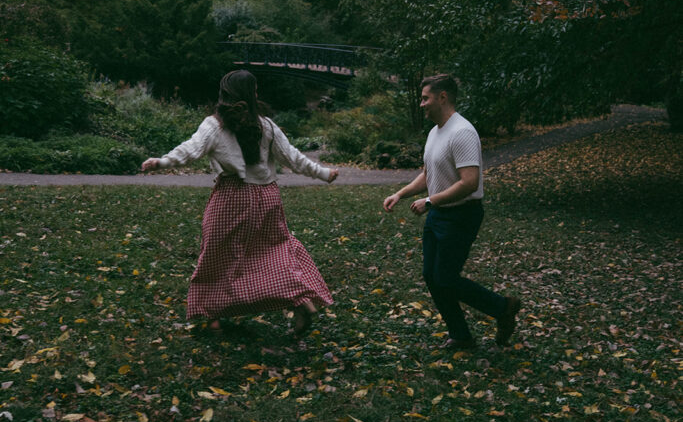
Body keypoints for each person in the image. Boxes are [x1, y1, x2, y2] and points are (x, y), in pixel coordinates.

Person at [141, 70, 338, 336]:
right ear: (250, 94)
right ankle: (300, 299)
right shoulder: (266, 124)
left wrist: (162, 162)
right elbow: (292, 157)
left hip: (233, 196)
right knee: (274, 251)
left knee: (217, 253)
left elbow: (191, 149)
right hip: (267, 197)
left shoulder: (215, 125)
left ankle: (213, 315)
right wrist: (323, 173)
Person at [383, 73, 521, 350]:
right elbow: (428, 174)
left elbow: (470, 182)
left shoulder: (462, 132)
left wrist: (431, 201)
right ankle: (460, 334)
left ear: (442, 97)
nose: (421, 104)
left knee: (445, 277)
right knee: (431, 276)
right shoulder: (435, 132)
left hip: (461, 215)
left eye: (425, 98)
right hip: (439, 214)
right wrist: (400, 193)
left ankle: (503, 307)